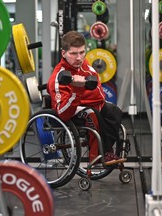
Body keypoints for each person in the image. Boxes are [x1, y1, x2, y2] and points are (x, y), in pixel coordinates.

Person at [47, 30, 126, 165]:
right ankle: (97, 155)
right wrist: (76, 90)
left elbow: (96, 86)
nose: (79, 58)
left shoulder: (83, 64)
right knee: (92, 113)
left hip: (93, 105)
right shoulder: (57, 78)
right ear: (64, 53)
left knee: (115, 111)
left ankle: (107, 151)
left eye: (82, 52)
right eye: (73, 53)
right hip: (72, 110)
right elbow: (63, 113)